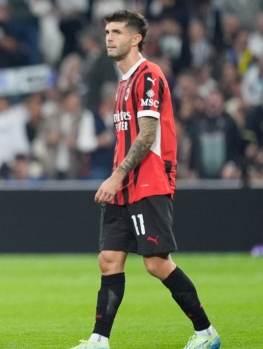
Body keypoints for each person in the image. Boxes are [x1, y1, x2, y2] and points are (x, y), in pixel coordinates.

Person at [69, 10, 220, 349]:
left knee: (156, 263)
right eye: (107, 31)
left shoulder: (149, 75)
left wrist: (116, 175)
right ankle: (98, 340)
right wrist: (118, 179)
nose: (109, 37)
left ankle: (205, 332)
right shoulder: (122, 84)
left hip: (149, 182)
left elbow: (149, 134)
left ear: (136, 38)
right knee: (108, 260)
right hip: (124, 186)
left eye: (118, 32)